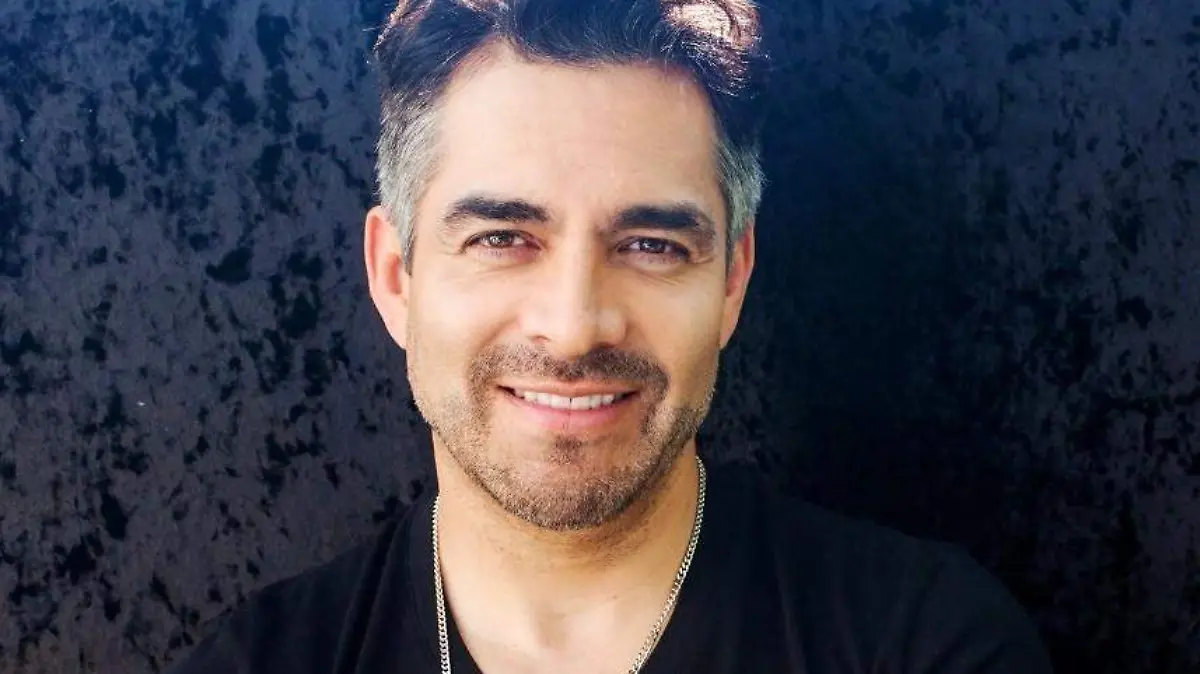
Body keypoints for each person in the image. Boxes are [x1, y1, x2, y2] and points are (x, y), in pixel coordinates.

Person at [169, 0, 1054, 672]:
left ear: (732, 279)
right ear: (396, 277)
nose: (573, 327)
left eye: (651, 245)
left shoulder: (924, 644)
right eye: (502, 238)